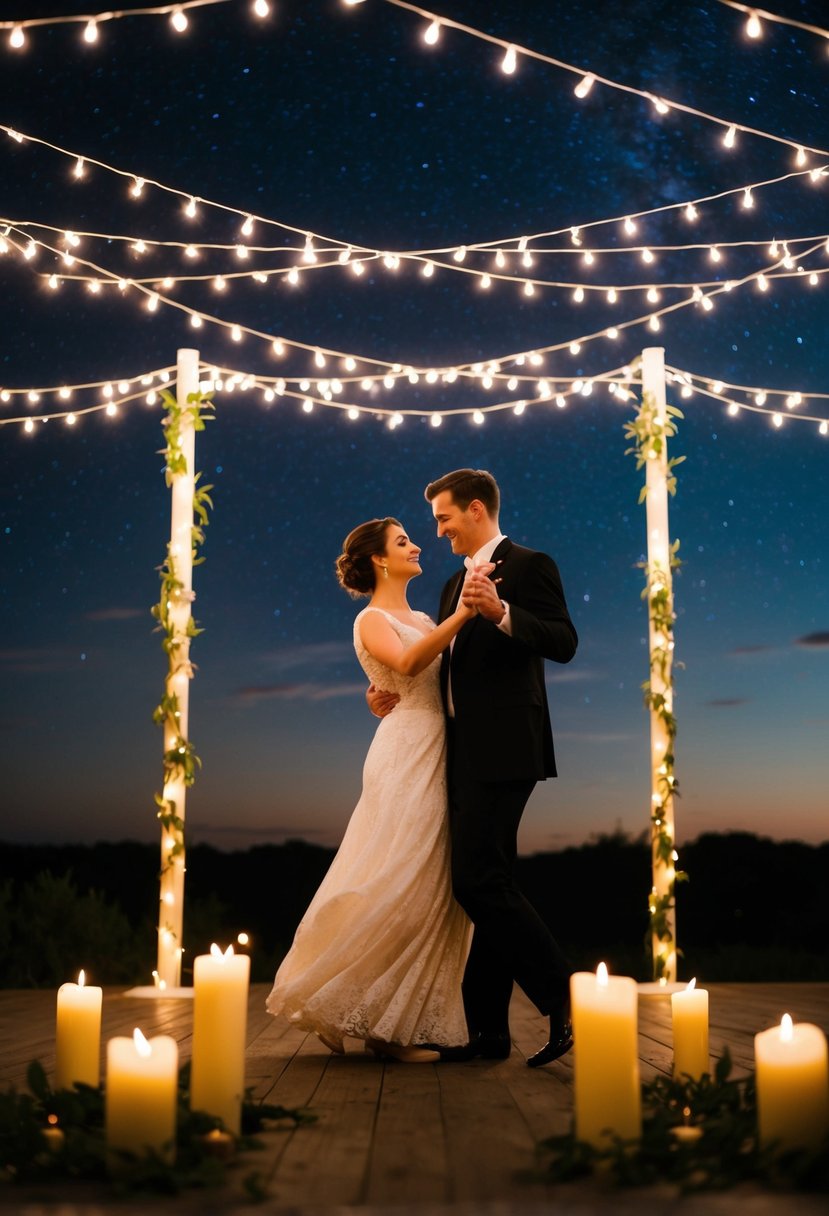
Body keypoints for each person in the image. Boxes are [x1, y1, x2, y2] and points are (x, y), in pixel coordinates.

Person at [369, 469, 578, 1067]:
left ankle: (566, 998)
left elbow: (564, 641)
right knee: (488, 885)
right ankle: (487, 1033)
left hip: (508, 746)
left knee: (477, 881)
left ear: (477, 510)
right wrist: (386, 692)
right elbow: (434, 666)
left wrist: (502, 611)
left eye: (444, 518)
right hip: (456, 754)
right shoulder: (447, 588)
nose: (437, 532)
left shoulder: (531, 565)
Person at [266, 517, 479, 1063]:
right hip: (405, 750)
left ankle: (386, 1015)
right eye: (403, 541)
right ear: (381, 560)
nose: (415, 545)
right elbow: (407, 662)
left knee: (429, 881)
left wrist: (383, 685)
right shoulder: (371, 619)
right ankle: (378, 1026)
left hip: (442, 746)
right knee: (400, 874)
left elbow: (427, 672)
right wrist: (464, 613)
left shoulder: (423, 616)